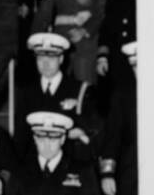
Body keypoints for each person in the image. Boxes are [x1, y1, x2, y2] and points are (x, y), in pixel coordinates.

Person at [14, 32, 102, 161]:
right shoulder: (27, 93)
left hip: (72, 165)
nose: (45, 64)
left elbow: (93, 131)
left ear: (61, 59)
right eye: (41, 58)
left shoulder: (80, 90)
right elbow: (21, 137)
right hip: (35, 166)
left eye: (51, 58)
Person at [100, 40, 138, 195]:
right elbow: (112, 137)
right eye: (133, 65)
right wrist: (107, 174)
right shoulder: (123, 95)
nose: (138, 70)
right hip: (129, 176)